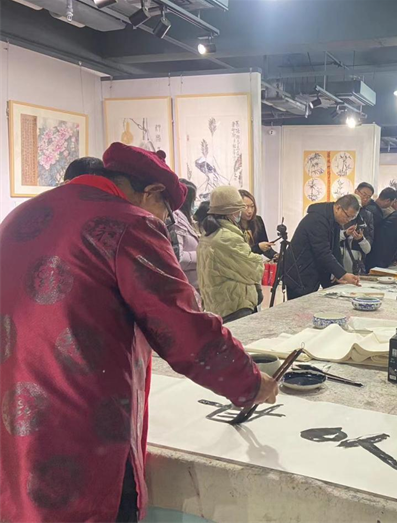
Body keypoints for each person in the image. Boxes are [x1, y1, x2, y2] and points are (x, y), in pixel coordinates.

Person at [0, 143, 277, 523]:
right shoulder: (129, 223)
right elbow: (182, 326)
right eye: (166, 211)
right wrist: (249, 382)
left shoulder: (23, 213)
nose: (164, 220)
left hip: (14, 412)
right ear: (152, 193)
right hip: (82, 420)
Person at [197, 186, 264, 322]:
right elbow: (254, 270)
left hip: (217, 305)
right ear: (232, 212)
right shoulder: (227, 238)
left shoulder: (207, 235)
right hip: (235, 306)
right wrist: (258, 258)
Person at [284, 194, 362, 299]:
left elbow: (335, 249)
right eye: (348, 216)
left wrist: (338, 274)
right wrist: (342, 274)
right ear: (338, 208)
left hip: (312, 271)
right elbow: (322, 252)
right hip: (300, 271)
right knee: (299, 306)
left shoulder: (334, 220)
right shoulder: (317, 219)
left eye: (352, 218)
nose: (349, 220)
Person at [170, 179, 199, 289]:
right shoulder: (176, 222)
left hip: (193, 283)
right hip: (186, 284)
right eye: (194, 200)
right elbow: (178, 257)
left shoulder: (184, 220)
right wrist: (201, 255)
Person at [239, 189, 277, 260]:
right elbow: (240, 253)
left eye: (252, 206)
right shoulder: (232, 224)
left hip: (255, 263)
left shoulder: (258, 220)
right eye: (245, 207)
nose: (250, 211)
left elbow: (265, 247)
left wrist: (275, 255)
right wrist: (258, 247)